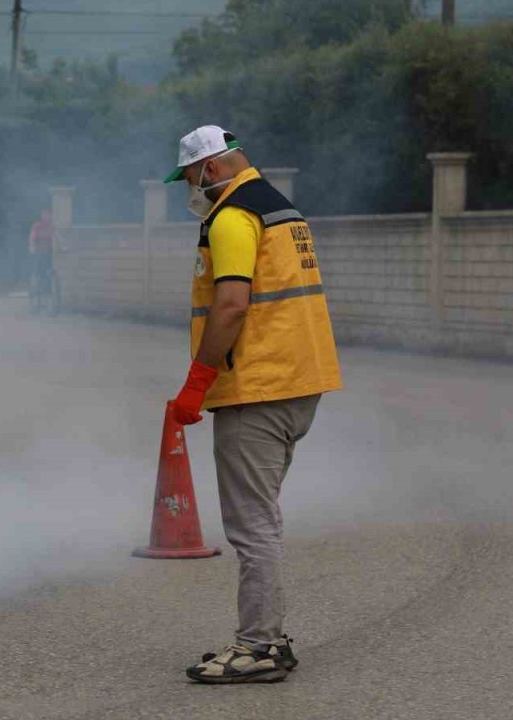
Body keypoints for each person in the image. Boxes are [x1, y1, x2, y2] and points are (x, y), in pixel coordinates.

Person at [163, 126, 342, 684]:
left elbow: (232, 304)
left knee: (251, 525)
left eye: (190, 178)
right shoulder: (283, 210)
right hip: (300, 383)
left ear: (210, 169)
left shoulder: (233, 217)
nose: (189, 188)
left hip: (257, 390)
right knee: (259, 518)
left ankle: (260, 646)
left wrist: (197, 382)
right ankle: (266, 635)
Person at [28, 208, 55, 297]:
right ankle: (34, 289)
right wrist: (32, 247)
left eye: (48, 214)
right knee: (37, 272)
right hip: (38, 253)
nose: (46, 216)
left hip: (49, 253)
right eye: (44, 214)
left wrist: (63, 247)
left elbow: (57, 237)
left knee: (50, 271)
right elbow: (32, 238)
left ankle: (48, 288)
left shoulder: (51, 227)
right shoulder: (37, 226)